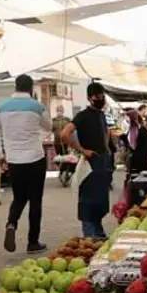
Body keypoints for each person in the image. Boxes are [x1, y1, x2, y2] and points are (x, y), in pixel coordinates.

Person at [0, 74, 52, 253]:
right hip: (35, 158)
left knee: (18, 198)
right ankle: (33, 242)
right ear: (31, 88)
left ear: (15, 87)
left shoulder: (1, 108)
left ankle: (11, 223)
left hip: (14, 160)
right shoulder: (36, 106)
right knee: (35, 201)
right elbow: (48, 126)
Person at [60, 82, 114, 238]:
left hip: (102, 162)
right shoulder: (82, 116)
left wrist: (108, 150)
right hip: (90, 164)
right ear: (90, 98)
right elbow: (65, 134)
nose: (101, 99)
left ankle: (98, 232)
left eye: (103, 96)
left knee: (100, 201)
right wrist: (82, 150)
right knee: (89, 201)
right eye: (98, 97)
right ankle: (89, 236)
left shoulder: (101, 115)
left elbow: (106, 133)